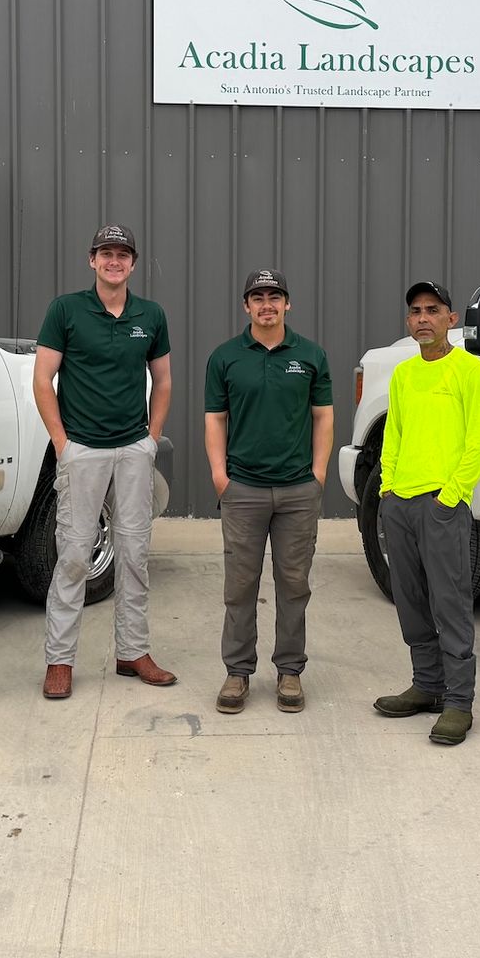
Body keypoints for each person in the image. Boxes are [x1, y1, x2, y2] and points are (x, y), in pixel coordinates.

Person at [33, 224, 176, 699]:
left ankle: (133, 651)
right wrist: (62, 443)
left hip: (133, 449)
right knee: (74, 555)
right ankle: (60, 660)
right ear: (92, 260)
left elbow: (164, 381)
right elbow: (42, 379)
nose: (114, 261)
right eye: (106, 253)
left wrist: (151, 439)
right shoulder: (66, 310)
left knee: (134, 554)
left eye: (123, 254)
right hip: (84, 450)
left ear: (133, 264)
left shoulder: (150, 315)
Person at [373, 280, 480, 746]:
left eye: (433, 310)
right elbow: (394, 436)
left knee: (450, 601)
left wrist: (451, 496)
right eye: (415, 311)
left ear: (451, 319)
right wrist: (386, 491)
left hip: (442, 506)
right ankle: (427, 684)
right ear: (408, 322)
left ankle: (459, 702)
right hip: (400, 504)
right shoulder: (404, 375)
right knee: (410, 599)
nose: (422, 318)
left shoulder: (469, 372)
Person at [204, 269, 333, 715]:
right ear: (246, 306)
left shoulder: (311, 356)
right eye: (257, 297)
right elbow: (215, 420)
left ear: (287, 304)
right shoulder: (225, 358)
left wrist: (317, 476)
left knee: (294, 585)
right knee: (240, 586)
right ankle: (238, 672)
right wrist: (222, 477)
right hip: (243, 490)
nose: (266, 304)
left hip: (298, 491)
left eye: (274, 296)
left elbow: (323, 417)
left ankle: (290, 670)